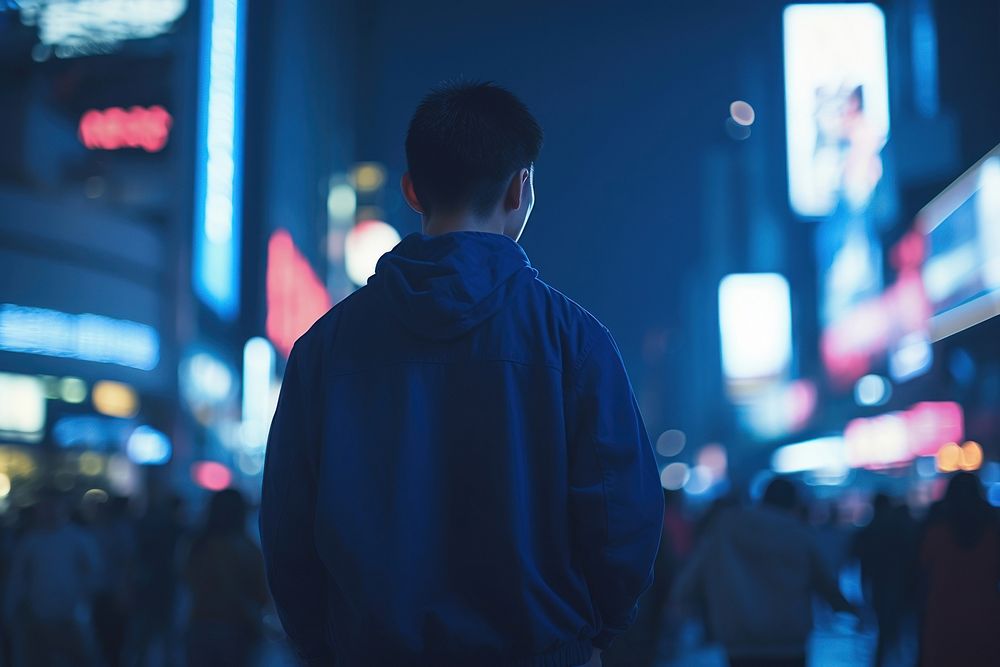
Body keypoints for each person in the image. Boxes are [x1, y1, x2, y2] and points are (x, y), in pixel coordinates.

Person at [260, 81, 663, 667]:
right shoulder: (575, 340)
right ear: (520, 187)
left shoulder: (325, 347)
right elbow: (623, 517)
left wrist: (324, 642)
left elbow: (287, 528)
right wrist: (588, 632)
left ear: (411, 190)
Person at [673, 478, 854, 667]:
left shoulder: (726, 527)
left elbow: (694, 571)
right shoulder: (798, 532)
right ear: (794, 502)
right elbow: (825, 582)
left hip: (741, 638)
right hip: (789, 639)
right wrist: (849, 609)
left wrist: (681, 600)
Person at [3, 492, 100, 667]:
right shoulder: (30, 542)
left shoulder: (80, 539)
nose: (50, 512)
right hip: (38, 617)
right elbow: (18, 579)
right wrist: (11, 609)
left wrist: (83, 603)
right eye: (45, 508)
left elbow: (94, 573)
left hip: (72, 616)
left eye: (54, 507)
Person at [919, 472, 1000, 667]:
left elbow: (922, 574)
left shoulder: (935, 532)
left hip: (942, 618)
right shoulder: (993, 533)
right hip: (985, 618)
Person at [184, 488, 270, 667]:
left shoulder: (199, 545)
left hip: (200, 625)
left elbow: (187, 580)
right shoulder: (247, 549)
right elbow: (262, 594)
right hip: (236, 629)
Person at [852, 494, 917, 667]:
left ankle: (882, 661)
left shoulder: (870, 530)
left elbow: (863, 561)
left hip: (879, 585)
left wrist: (865, 590)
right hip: (899, 585)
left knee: (885, 629)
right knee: (898, 631)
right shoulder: (899, 529)